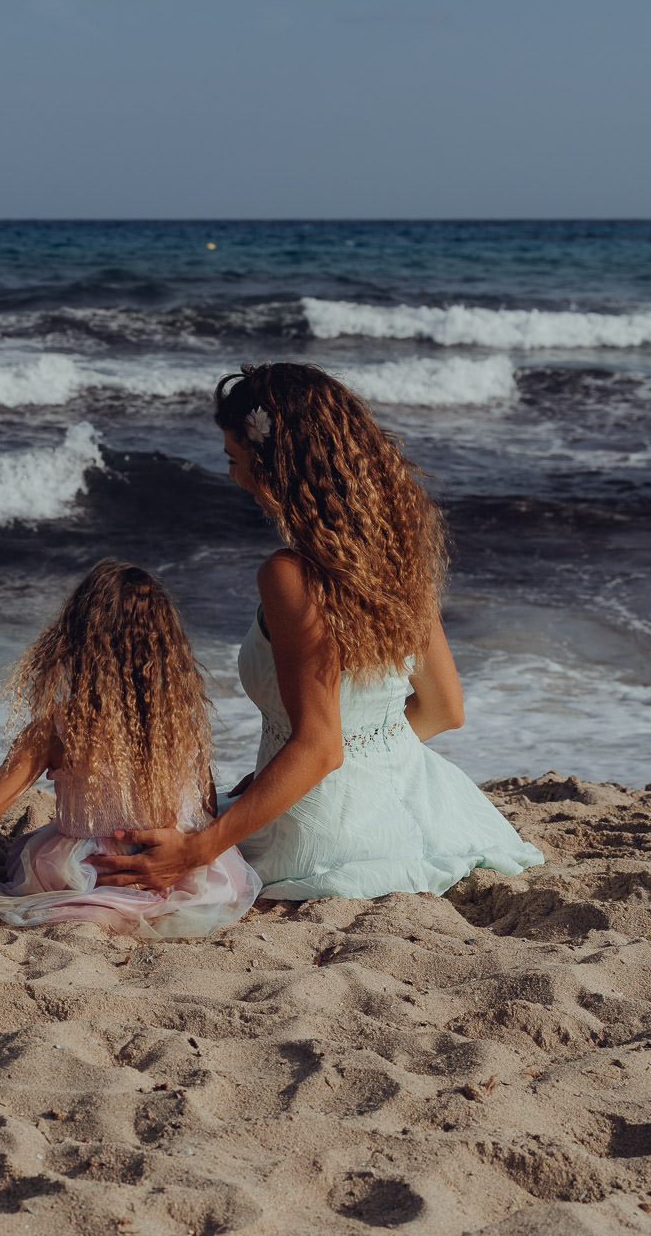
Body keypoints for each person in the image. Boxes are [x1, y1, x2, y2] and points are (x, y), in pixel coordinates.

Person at [92, 364, 544, 900]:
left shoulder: (290, 576)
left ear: (273, 463)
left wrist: (197, 850)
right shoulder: (396, 554)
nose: (232, 476)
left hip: (323, 835)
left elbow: (320, 747)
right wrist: (278, 779)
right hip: (429, 811)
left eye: (234, 460)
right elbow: (444, 709)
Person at [0, 560, 261, 939]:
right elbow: (205, 805)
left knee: (12, 880)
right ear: (167, 647)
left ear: (75, 642)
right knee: (8, 860)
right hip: (186, 874)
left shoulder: (60, 727)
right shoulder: (182, 717)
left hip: (89, 876)